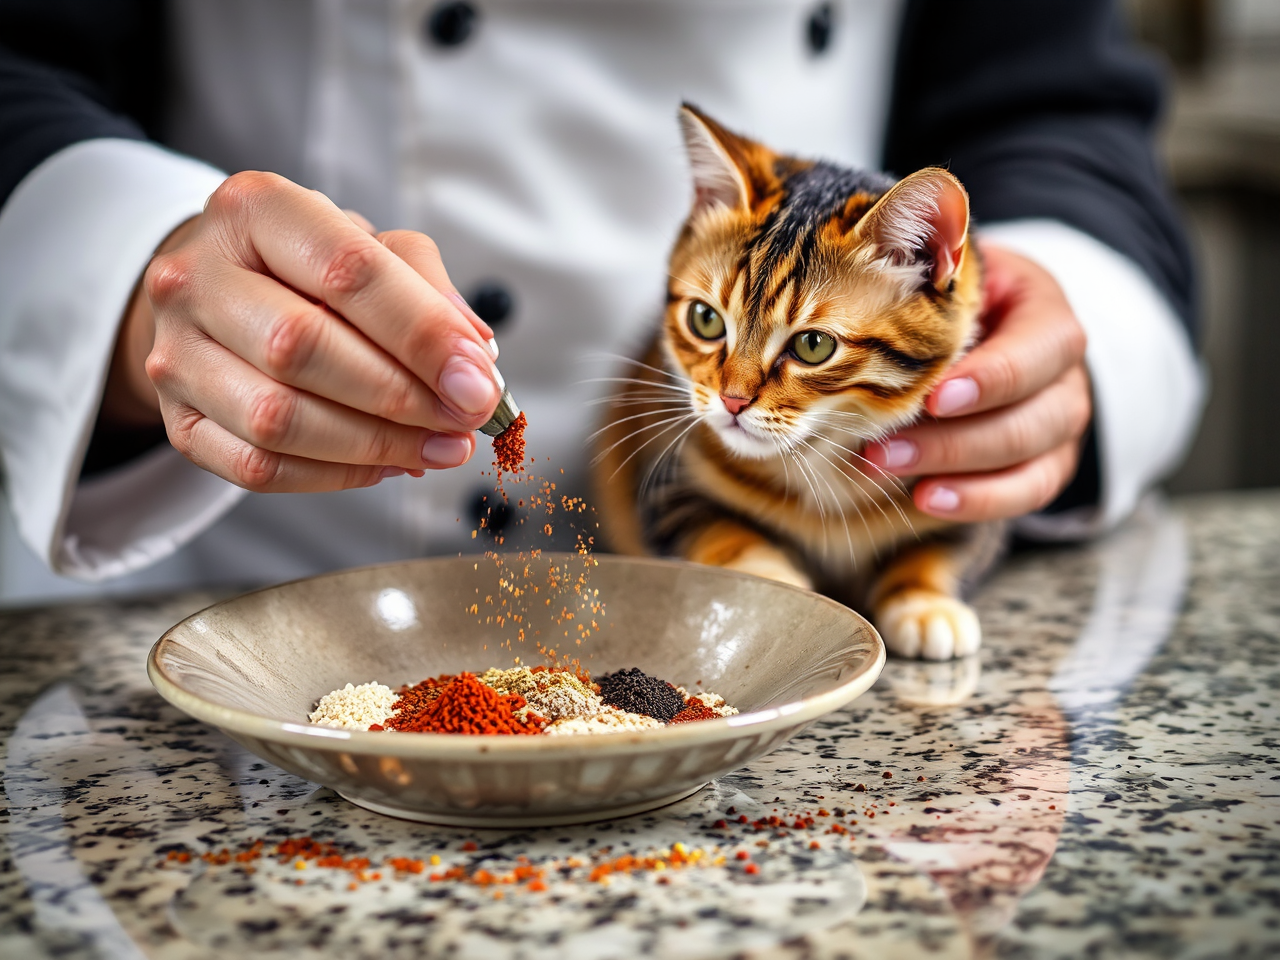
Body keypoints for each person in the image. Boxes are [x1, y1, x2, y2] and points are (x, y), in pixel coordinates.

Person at [0, 0, 1202, 603]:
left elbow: (1052, 100)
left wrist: (1049, 343)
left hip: (812, 584)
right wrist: (128, 275)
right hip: (232, 572)